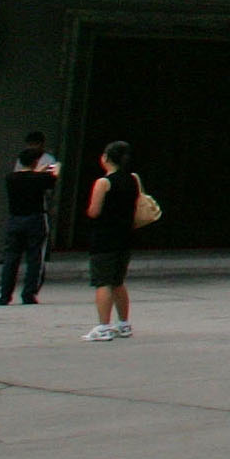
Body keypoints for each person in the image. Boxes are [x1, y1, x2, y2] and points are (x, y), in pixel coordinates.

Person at [83, 140, 141, 340]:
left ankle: (103, 327)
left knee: (103, 282)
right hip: (125, 237)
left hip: (104, 238)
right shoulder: (133, 179)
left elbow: (94, 211)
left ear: (106, 158)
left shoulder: (104, 182)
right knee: (118, 281)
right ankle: (124, 323)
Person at [0, 145, 56, 305]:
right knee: (35, 257)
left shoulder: (10, 178)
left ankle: (4, 294)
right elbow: (52, 179)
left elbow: (29, 178)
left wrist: (37, 173)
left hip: (15, 219)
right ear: (35, 162)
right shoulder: (40, 178)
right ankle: (29, 293)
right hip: (36, 219)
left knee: (11, 258)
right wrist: (50, 170)